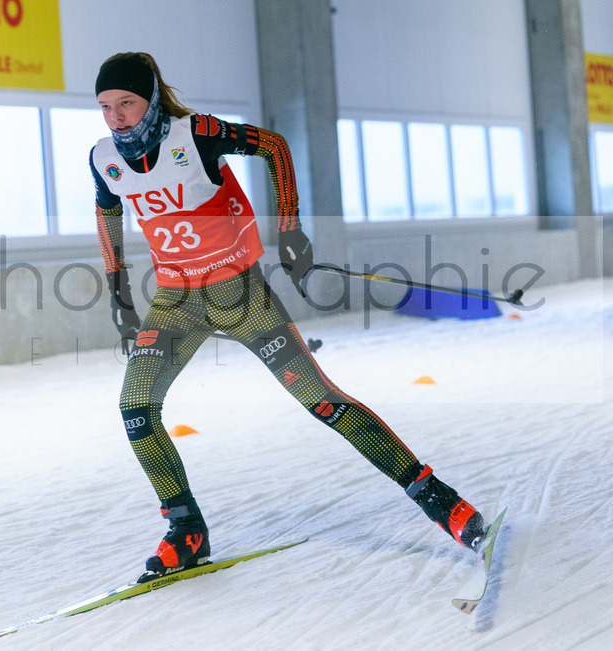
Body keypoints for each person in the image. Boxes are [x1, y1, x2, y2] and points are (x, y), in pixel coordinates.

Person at [89, 52, 486, 581]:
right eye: (105, 107)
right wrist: (120, 297)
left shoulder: (195, 135)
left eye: (127, 103)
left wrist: (292, 231)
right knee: (135, 406)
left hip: (241, 296)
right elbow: (107, 216)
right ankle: (185, 529)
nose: (116, 117)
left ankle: (444, 503)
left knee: (322, 401)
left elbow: (273, 147)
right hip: (176, 302)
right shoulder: (102, 158)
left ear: (152, 100)